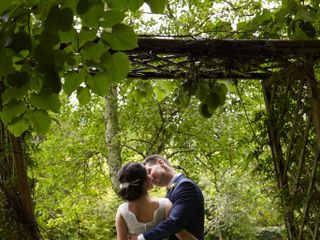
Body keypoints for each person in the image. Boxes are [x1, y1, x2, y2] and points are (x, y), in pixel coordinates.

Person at [115, 162, 197, 240]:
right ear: (145, 182)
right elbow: (182, 235)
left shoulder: (122, 211)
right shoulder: (165, 205)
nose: (151, 176)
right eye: (148, 174)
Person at [133, 154, 205, 240]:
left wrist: (141, 238)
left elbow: (174, 223)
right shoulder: (171, 190)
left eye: (149, 171)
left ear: (160, 163)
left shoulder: (185, 186)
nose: (149, 178)